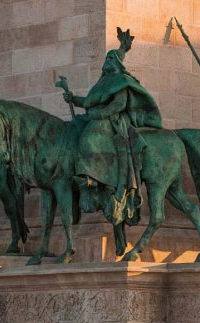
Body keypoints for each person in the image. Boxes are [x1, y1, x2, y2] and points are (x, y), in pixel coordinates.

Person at [61, 27, 163, 225]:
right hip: (97, 117)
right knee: (74, 126)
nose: (106, 61)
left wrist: (99, 114)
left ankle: (91, 175)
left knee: (90, 137)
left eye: (110, 58)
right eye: (106, 58)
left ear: (116, 62)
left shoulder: (121, 80)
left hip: (114, 120)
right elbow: (90, 101)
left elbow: (119, 104)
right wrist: (73, 98)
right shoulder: (103, 82)